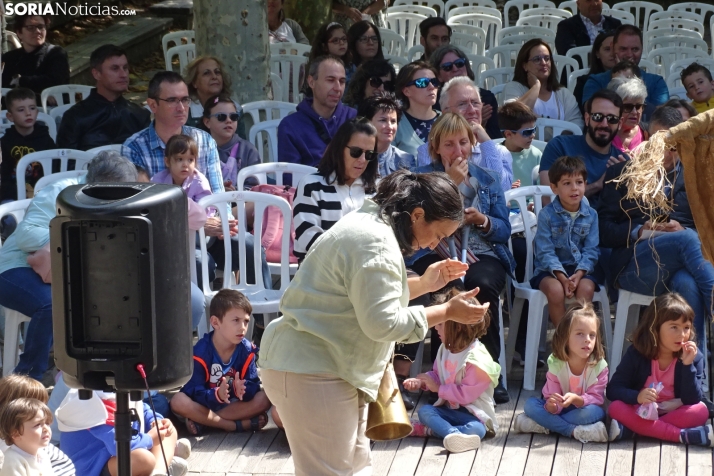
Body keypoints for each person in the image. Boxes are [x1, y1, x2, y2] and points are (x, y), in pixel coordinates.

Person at [260, 168, 491, 475]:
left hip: (324, 368)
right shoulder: (376, 242)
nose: (437, 244)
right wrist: (447, 312)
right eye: (439, 235)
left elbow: (364, 296)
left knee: (357, 468)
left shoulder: (372, 224)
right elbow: (382, 323)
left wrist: (424, 284)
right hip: (312, 370)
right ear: (418, 215)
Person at [0, 152, 208, 381]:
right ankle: (28, 381)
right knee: (53, 304)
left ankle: (149, 370)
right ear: (96, 184)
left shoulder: (134, 195)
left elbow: (196, 217)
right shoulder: (61, 191)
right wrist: (79, 242)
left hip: (92, 273)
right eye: (116, 191)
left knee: (189, 297)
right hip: (17, 268)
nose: (121, 197)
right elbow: (26, 236)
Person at [122, 72, 270, 290]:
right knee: (201, 262)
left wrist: (224, 224)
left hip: (209, 230)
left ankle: (260, 321)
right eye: (172, 100)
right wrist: (196, 224)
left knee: (249, 245)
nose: (181, 107)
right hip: (164, 238)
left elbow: (219, 195)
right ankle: (199, 322)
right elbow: (140, 208)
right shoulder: (134, 147)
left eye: (185, 99)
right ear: (153, 105)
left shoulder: (203, 140)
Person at [414, 113, 516, 404]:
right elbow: (416, 227)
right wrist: (447, 184)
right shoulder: (422, 178)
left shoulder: (487, 178)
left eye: (463, 142)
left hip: (482, 251)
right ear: (436, 148)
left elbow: (503, 228)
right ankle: (442, 376)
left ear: (473, 144)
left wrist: (483, 220)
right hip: (434, 248)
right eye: (449, 144)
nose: (458, 151)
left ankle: (486, 374)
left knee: (481, 285)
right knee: (444, 288)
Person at [598, 106, 714, 351]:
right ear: (648, 137)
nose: (664, 148)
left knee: (688, 286)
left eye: (672, 142)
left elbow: (705, 225)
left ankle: (694, 378)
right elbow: (603, 230)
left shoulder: (692, 178)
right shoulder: (621, 173)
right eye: (658, 139)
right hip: (635, 265)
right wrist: (640, 230)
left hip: (683, 266)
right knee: (685, 240)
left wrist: (682, 227)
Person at [607, 294, 712, 446]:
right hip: (641, 410)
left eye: (686, 328)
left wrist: (687, 365)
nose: (682, 335)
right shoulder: (637, 353)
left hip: (674, 411)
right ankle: (680, 436)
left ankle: (634, 430)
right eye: (674, 327)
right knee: (615, 407)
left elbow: (692, 399)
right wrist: (638, 397)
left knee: (701, 412)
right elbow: (613, 389)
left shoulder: (694, 357)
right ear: (654, 328)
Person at [404, 287, 501, 453]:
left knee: (477, 430)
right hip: (451, 412)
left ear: (458, 327)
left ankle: (435, 431)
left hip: (474, 416)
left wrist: (438, 389)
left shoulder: (476, 359)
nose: (436, 328)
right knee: (426, 411)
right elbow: (437, 374)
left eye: (441, 324)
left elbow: (465, 395)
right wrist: (423, 382)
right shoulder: (445, 349)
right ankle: (453, 436)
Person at [170, 289, 272, 435]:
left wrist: (242, 390)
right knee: (178, 401)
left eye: (246, 321)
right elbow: (192, 391)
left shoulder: (247, 350)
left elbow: (253, 387)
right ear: (215, 322)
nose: (242, 327)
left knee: (264, 398)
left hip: (230, 406)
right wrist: (216, 395)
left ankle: (205, 423)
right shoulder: (201, 352)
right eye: (236, 320)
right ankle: (233, 425)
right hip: (205, 403)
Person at [515, 302, 609, 443]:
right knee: (530, 405)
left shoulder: (599, 366)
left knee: (596, 413)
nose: (587, 340)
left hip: (583, 410)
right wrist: (551, 406)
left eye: (592, 335)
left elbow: (597, 399)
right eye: (580, 334)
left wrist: (577, 399)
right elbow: (550, 397)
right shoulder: (556, 363)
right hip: (561, 412)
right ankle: (573, 431)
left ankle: (541, 424)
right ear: (566, 337)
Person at [293, 118, 378, 261]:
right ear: (339, 148)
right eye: (356, 152)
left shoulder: (376, 188)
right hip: (320, 273)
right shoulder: (312, 185)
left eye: (369, 154)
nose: (363, 160)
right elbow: (308, 238)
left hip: (365, 270)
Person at [531, 156, 599, 325]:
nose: (574, 188)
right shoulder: (546, 215)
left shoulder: (591, 215)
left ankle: (578, 334)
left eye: (579, 182)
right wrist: (562, 277)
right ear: (554, 188)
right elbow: (545, 252)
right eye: (567, 183)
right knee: (555, 291)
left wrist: (580, 273)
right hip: (549, 271)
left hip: (581, 270)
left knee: (586, 289)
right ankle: (563, 340)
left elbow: (591, 250)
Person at [416, 76, 514, 192]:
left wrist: (487, 143)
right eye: (462, 104)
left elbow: (500, 192)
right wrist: (450, 180)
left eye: (475, 103)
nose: (472, 110)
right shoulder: (429, 151)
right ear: (445, 113)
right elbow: (428, 198)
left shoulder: (498, 151)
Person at [57, 389, 186, 476]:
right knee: (143, 459)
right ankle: (162, 462)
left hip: (124, 449)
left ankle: (158, 471)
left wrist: (157, 421)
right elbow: (118, 447)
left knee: (169, 430)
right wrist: (151, 438)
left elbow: (142, 409)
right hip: (93, 467)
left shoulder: (122, 387)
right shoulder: (88, 401)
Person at [539, 89, 627, 205]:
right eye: (597, 116)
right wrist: (598, 185)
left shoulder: (623, 162)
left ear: (620, 124)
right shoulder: (559, 146)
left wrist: (626, 183)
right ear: (586, 119)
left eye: (612, 119)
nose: (604, 124)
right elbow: (549, 202)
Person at [56, 44, 151, 151]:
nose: (123, 74)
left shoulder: (139, 115)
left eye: (125, 68)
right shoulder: (75, 117)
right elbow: (65, 162)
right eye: (115, 68)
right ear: (96, 74)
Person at [278, 56, 357, 167]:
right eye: (330, 80)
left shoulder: (353, 118)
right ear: (311, 82)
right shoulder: (290, 126)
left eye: (342, 81)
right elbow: (288, 177)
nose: (338, 88)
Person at [582, 25, 669, 120]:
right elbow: (591, 110)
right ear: (613, 48)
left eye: (635, 49)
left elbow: (662, 118)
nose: (629, 55)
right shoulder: (595, 81)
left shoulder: (657, 82)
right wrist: (618, 83)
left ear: (642, 49)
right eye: (623, 49)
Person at [503, 39, 584, 134]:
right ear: (525, 66)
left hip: (558, 147)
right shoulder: (514, 88)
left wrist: (546, 130)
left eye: (547, 58)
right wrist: (536, 87)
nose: (543, 63)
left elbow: (577, 125)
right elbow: (511, 118)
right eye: (537, 59)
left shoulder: (563, 93)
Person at [0, 375, 75, 476]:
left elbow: (65, 468)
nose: (41, 409)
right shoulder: (11, 457)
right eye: (34, 405)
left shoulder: (41, 449)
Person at [429, 45, 502, 140]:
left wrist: (480, 125)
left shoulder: (486, 97)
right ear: (438, 76)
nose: (455, 69)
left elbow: (496, 138)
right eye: (447, 67)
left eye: (459, 63)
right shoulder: (433, 101)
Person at [0, 88, 55, 202]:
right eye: (21, 110)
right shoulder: (6, 142)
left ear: (37, 112)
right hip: (13, 196)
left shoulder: (45, 139)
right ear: (10, 116)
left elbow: (55, 169)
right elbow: (4, 175)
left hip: (42, 195)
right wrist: (18, 192)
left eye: (32, 108)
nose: (28, 113)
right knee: (8, 218)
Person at [202, 94, 260, 191]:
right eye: (221, 117)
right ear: (207, 122)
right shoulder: (199, 150)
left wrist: (235, 191)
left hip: (242, 204)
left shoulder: (248, 150)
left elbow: (255, 187)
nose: (228, 120)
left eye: (233, 117)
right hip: (208, 204)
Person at [1, 15, 69, 95]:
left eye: (41, 27)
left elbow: (55, 82)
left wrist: (21, 80)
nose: (37, 31)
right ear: (19, 33)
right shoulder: (10, 58)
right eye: (30, 27)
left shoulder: (56, 53)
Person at [183, 56, 245, 138]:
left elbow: (241, 147)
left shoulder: (235, 109)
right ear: (194, 82)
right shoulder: (185, 112)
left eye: (217, 72)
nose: (214, 77)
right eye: (206, 73)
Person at [357, 92, 416, 177]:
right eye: (383, 120)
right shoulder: (353, 155)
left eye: (393, 121)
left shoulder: (407, 160)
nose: (390, 127)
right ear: (366, 122)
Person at [394, 61, 440, 157]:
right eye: (422, 83)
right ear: (406, 91)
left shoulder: (447, 120)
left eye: (434, 82)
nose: (431, 87)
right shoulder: (394, 123)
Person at [150, 134, 212, 205]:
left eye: (190, 160)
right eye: (180, 159)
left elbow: (205, 209)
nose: (185, 165)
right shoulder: (158, 181)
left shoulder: (200, 183)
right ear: (167, 161)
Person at [555, 0, 622, 63]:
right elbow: (568, 53)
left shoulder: (615, 24)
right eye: (588, 0)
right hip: (580, 72)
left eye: (596, 0)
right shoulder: (566, 26)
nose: (594, 4)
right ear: (578, 4)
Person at [0, 398, 53, 476]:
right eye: (37, 425)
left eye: (47, 423)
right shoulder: (12, 461)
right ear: (16, 434)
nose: (46, 429)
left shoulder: (42, 455)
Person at [498, 101, 541, 188]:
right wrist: (505, 188)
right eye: (527, 132)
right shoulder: (495, 155)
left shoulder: (537, 155)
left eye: (534, 129)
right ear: (508, 134)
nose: (532, 135)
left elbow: (542, 186)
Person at [573, 31, 617, 112]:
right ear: (597, 53)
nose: (612, 54)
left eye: (616, 49)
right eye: (607, 49)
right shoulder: (584, 82)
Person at [607, 76, 648, 154]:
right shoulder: (603, 133)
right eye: (627, 107)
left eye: (638, 106)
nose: (635, 112)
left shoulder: (649, 133)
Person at [305, 22, 352, 88]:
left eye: (344, 39)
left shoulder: (351, 67)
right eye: (335, 40)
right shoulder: (319, 68)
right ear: (324, 46)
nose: (341, 43)